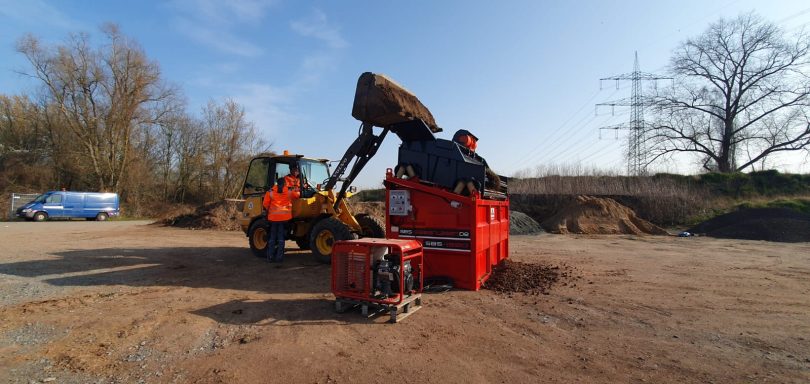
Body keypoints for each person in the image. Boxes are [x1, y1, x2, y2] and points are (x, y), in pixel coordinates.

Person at [262, 178, 299, 262]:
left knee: (272, 238)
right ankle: (279, 257)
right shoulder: (289, 191)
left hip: (273, 219)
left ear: (276, 183)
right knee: (281, 238)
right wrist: (297, 189)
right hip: (284, 219)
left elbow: (265, 204)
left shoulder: (270, 192)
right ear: (285, 183)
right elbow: (297, 195)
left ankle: (270, 257)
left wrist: (269, 211)